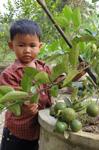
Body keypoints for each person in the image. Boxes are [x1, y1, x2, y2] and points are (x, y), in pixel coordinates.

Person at [0, 19, 52, 150]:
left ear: (40, 46)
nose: (27, 50)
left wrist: (75, 75)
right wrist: (23, 109)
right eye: (21, 45)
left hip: (38, 132)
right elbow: (9, 102)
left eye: (32, 45)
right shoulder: (9, 74)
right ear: (11, 46)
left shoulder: (44, 68)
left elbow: (58, 82)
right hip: (16, 135)